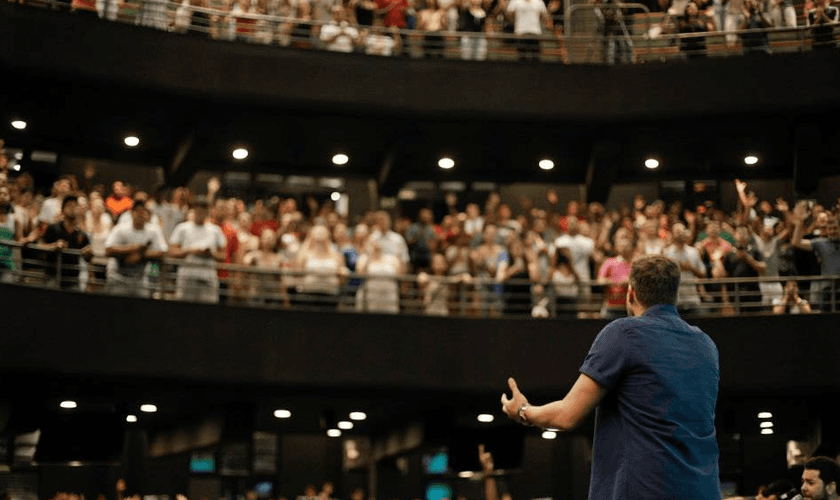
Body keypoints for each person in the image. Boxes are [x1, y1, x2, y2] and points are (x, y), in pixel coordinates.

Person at [500, 254, 720, 500]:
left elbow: (566, 416)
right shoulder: (706, 345)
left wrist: (522, 411)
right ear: (675, 295)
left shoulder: (623, 333)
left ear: (630, 293)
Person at [104, 200, 168, 297]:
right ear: (132, 213)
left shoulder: (154, 230)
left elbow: (163, 251)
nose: (140, 214)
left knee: (154, 267)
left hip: (141, 279)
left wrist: (141, 255)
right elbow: (109, 248)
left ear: (147, 214)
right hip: (119, 276)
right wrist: (133, 248)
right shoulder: (120, 228)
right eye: (137, 211)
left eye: (143, 212)